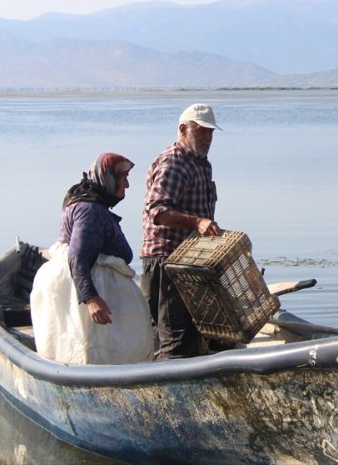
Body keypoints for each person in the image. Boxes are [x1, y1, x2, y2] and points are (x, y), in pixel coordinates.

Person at [30, 152, 152, 365]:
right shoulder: (90, 211)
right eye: (123, 178)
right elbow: (78, 257)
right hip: (94, 288)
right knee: (94, 350)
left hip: (89, 284)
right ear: (108, 178)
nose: (128, 185)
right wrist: (91, 299)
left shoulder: (83, 201)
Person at [140, 102, 222, 358]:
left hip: (189, 262)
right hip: (166, 263)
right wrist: (197, 223)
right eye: (201, 131)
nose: (208, 137)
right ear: (183, 129)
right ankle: (164, 391)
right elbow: (157, 212)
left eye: (210, 132)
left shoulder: (200, 163)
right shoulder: (174, 163)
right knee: (174, 342)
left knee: (196, 335)